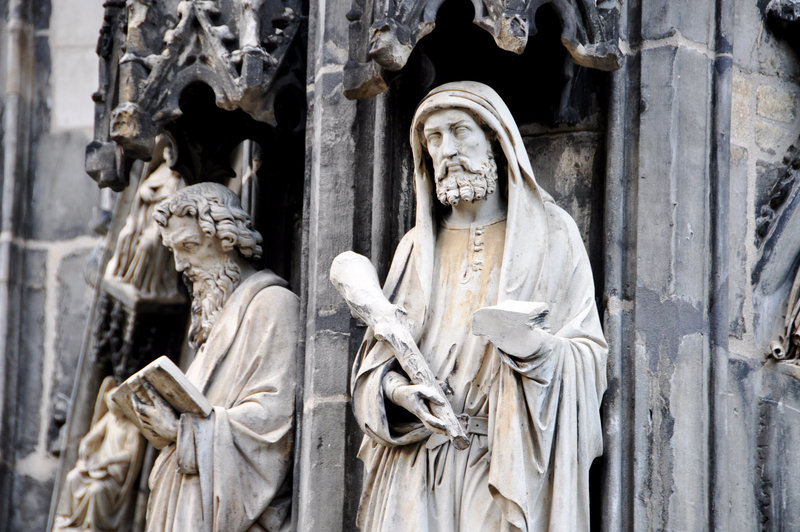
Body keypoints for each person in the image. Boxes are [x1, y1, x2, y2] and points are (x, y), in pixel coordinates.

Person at [350, 81, 608, 531]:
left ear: (494, 137)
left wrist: (539, 352)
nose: (447, 149)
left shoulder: (551, 234)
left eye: (459, 131)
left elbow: (588, 353)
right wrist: (399, 394)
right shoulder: (414, 248)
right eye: (434, 138)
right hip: (415, 461)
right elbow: (374, 367)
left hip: (501, 463)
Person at [129, 182, 298, 532]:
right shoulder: (211, 322)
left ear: (227, 239)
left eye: (189, 246)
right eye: (174, 250)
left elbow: (272, 423)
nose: (180, 265)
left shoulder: (272, 306)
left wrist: (182, 433)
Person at [54, 378, 145, 532]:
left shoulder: (132, 427)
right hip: (98, 467)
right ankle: (66, 518)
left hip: (114, 474)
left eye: (114, 405)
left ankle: (91, 525)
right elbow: (94, 435)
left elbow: (131, 454)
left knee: (96, 490)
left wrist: (109, 461)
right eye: (109, 405)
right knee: (73, 477)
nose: (111, 409)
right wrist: (85, 444)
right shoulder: (109, 418)